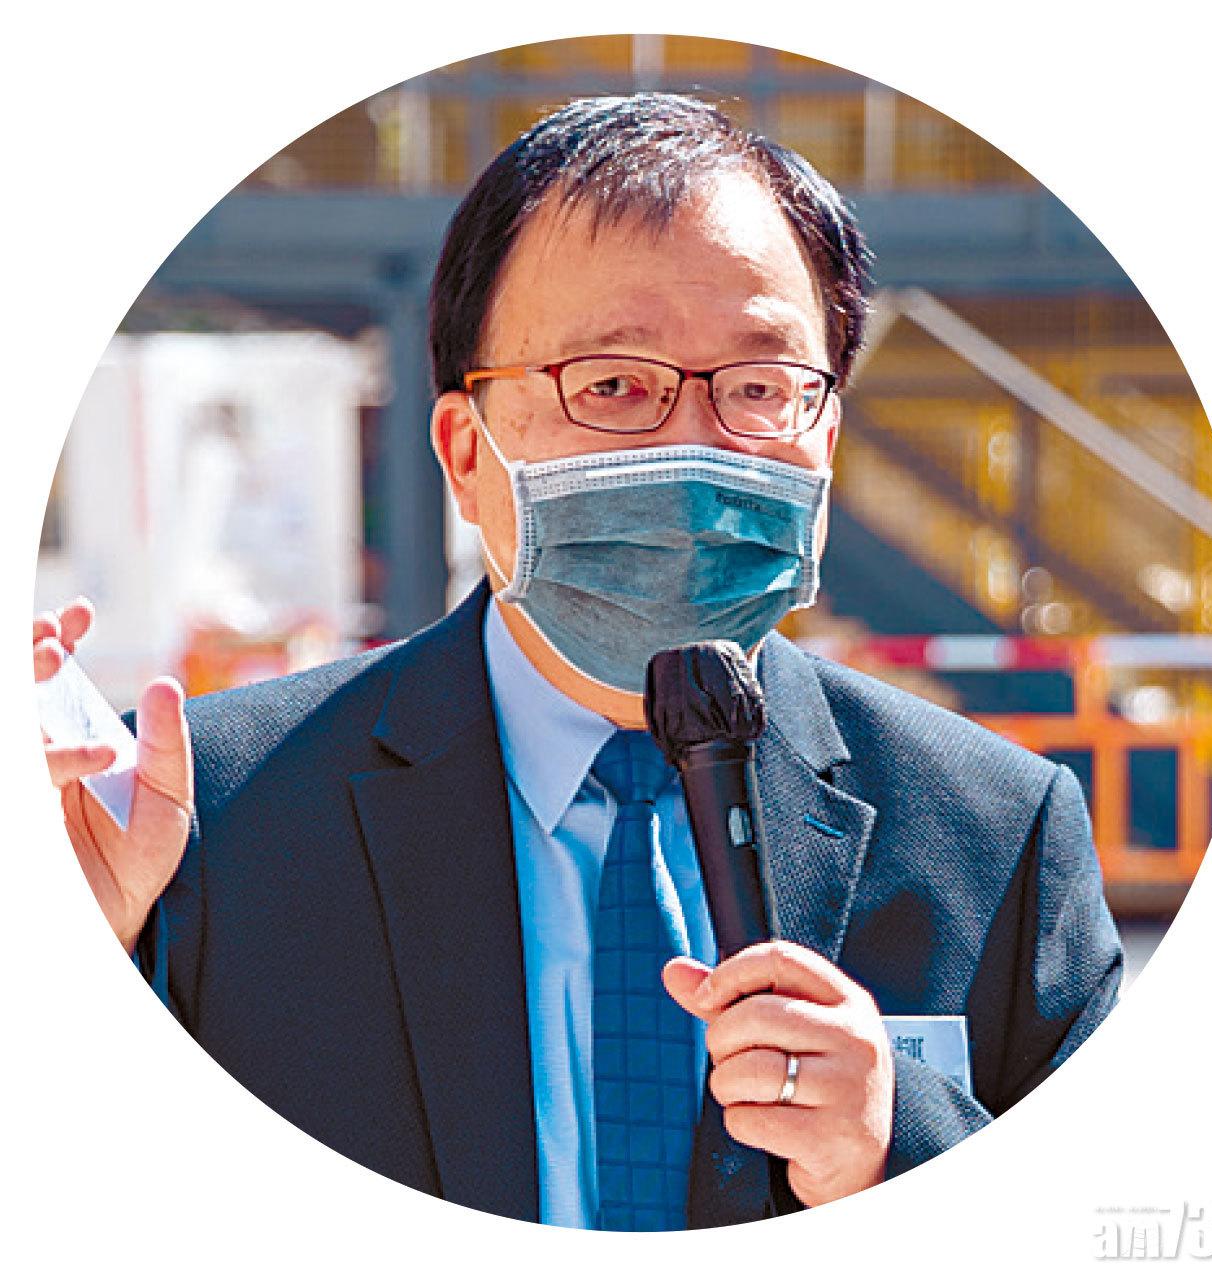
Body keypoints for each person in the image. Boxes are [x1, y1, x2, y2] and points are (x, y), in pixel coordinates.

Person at [34, 93, 1123, 1230]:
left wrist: (899, 1149)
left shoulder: (997, 837)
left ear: (827, 436)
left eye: (758, 388)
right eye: (611, 384)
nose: (693, 449)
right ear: (466, 454)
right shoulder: (199, 826)